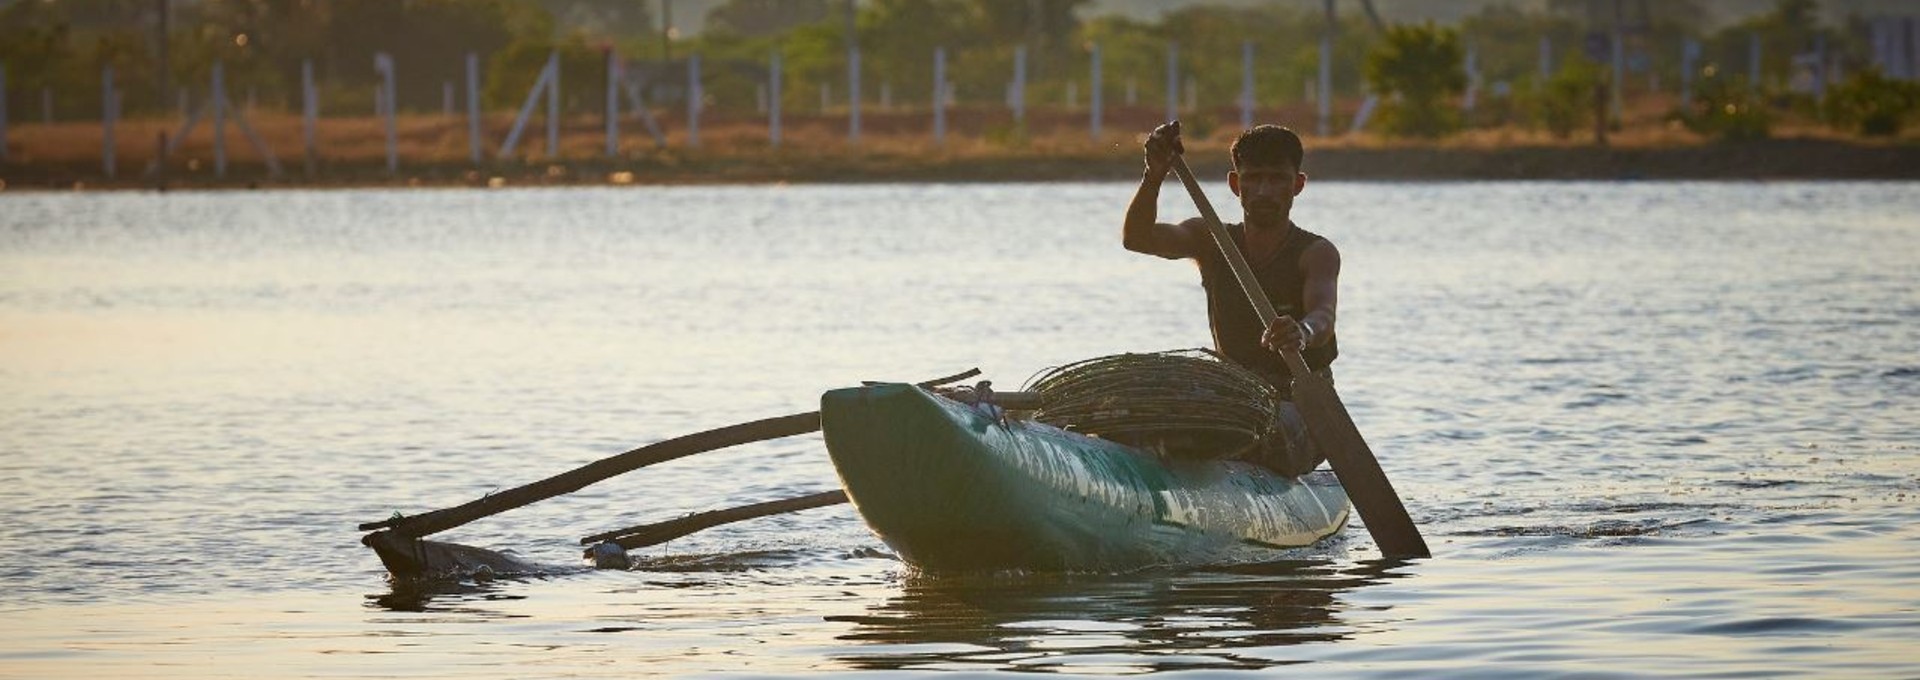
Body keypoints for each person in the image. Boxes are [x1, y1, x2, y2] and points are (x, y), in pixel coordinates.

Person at [1121, 121, 1337, 477]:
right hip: (1235, 396)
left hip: (1296, 404)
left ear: (1297, 185)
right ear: (1236, 185)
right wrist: (1153, 176)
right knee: (1149, 408)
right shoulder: (1209, 238)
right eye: (1253, 179)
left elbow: (1323, 316)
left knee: (1250, 424)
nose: (1264, 190)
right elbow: (1138, 238)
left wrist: (1301, 331)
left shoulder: (1316, 253)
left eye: (1277, 179)